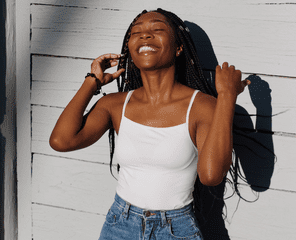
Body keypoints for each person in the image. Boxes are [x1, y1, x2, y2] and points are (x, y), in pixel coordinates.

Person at [49, 8, 250, 240]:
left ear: (178, 48)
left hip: (177, 229)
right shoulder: (115, 104)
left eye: (157, 29)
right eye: (136, 32)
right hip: (119, 225)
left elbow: (211, 175)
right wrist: (92, 81)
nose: (145, 35)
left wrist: (226, 97)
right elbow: (62, 141)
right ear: (130, 51)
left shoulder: (202, 106)